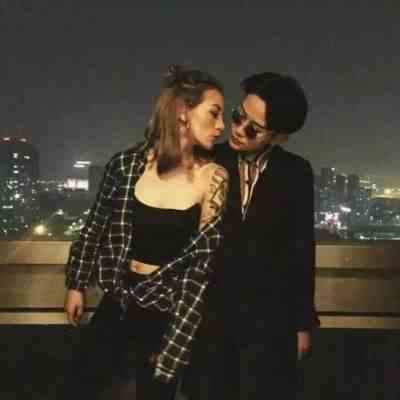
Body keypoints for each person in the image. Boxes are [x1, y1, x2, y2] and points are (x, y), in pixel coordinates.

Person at [60, 65, 229, 400]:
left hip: (167, 307)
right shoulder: (126, 165)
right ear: (182, 112)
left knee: (154, 393)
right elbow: (96, 225)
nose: (221, 125)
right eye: (214, 113)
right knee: (82, 383)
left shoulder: (214, 178)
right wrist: (76, 285)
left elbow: (202, 268)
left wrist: (178, 338)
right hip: (120, 296)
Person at [183, 72, 320, 400]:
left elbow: (301, 251)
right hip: (210, 317)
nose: (238, 129)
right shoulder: (207, 159)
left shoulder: (296, 173)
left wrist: (302, 324)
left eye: (253, 128)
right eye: (237, 115)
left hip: (270, 321)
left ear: (279, 136)